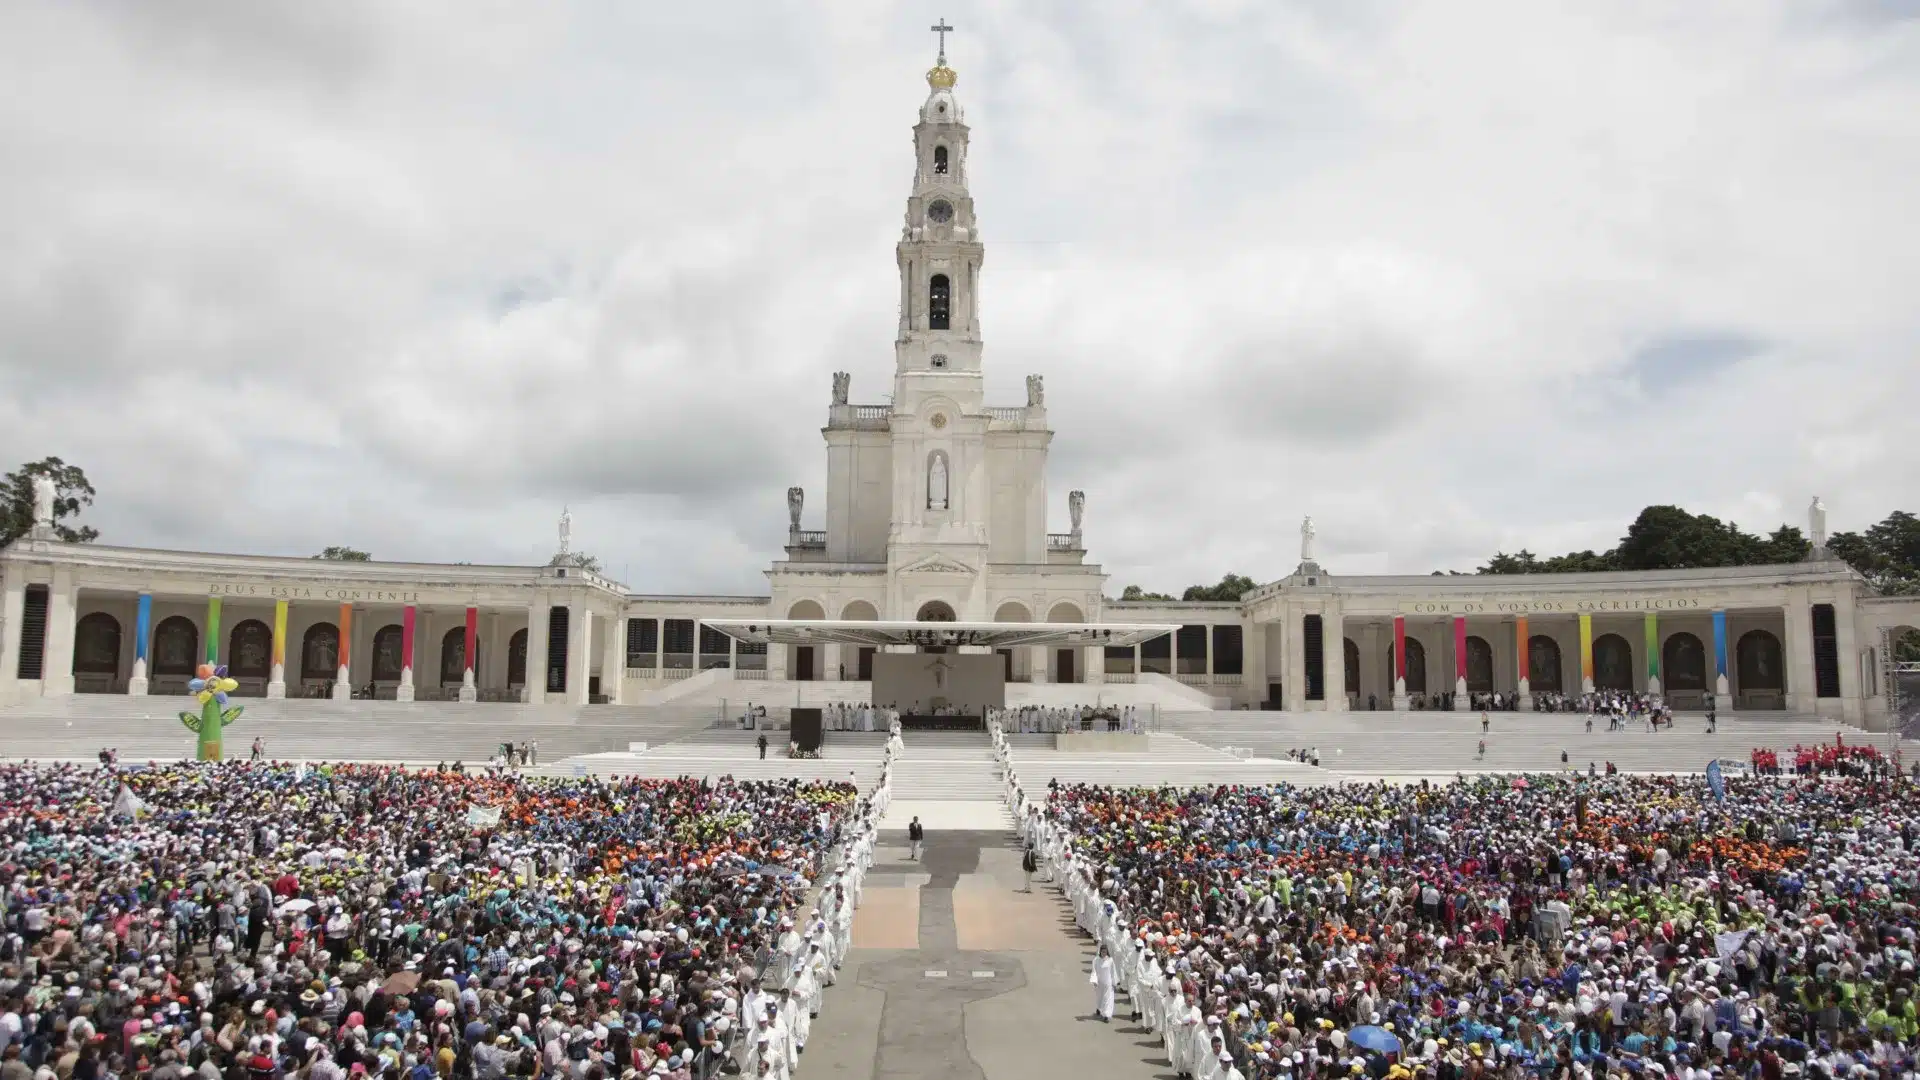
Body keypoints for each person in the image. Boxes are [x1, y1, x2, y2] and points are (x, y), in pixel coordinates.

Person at [1089, 943, 1116, 1023]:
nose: (1104, 953)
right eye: (1102, 951)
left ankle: (1106, 1016)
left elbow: (1113, 972)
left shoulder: (1110, 960)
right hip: (1099, 983)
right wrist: (1094, 980)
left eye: (1105, 952)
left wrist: (1114, 983)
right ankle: (1099, 1008)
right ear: (1100, 951)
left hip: (1108, 983)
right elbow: (1094, 971)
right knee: (1100, 998)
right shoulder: (1096, 960)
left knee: (1107, 999)